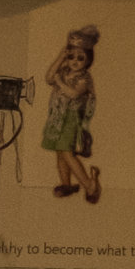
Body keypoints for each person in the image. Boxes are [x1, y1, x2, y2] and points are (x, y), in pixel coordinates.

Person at [44, 22, 101, 204]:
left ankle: (89, 185)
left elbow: (74, 93)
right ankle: (66, 183)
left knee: (67, 152)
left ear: (88, 60)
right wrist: (61, 57)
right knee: (60, 153)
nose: (74, 61)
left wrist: (60, 82)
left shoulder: (84, 77)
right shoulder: (64, 70)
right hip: (58, 117)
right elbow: (48, 77)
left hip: (71, 118)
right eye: (71, 57)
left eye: (80, 58)